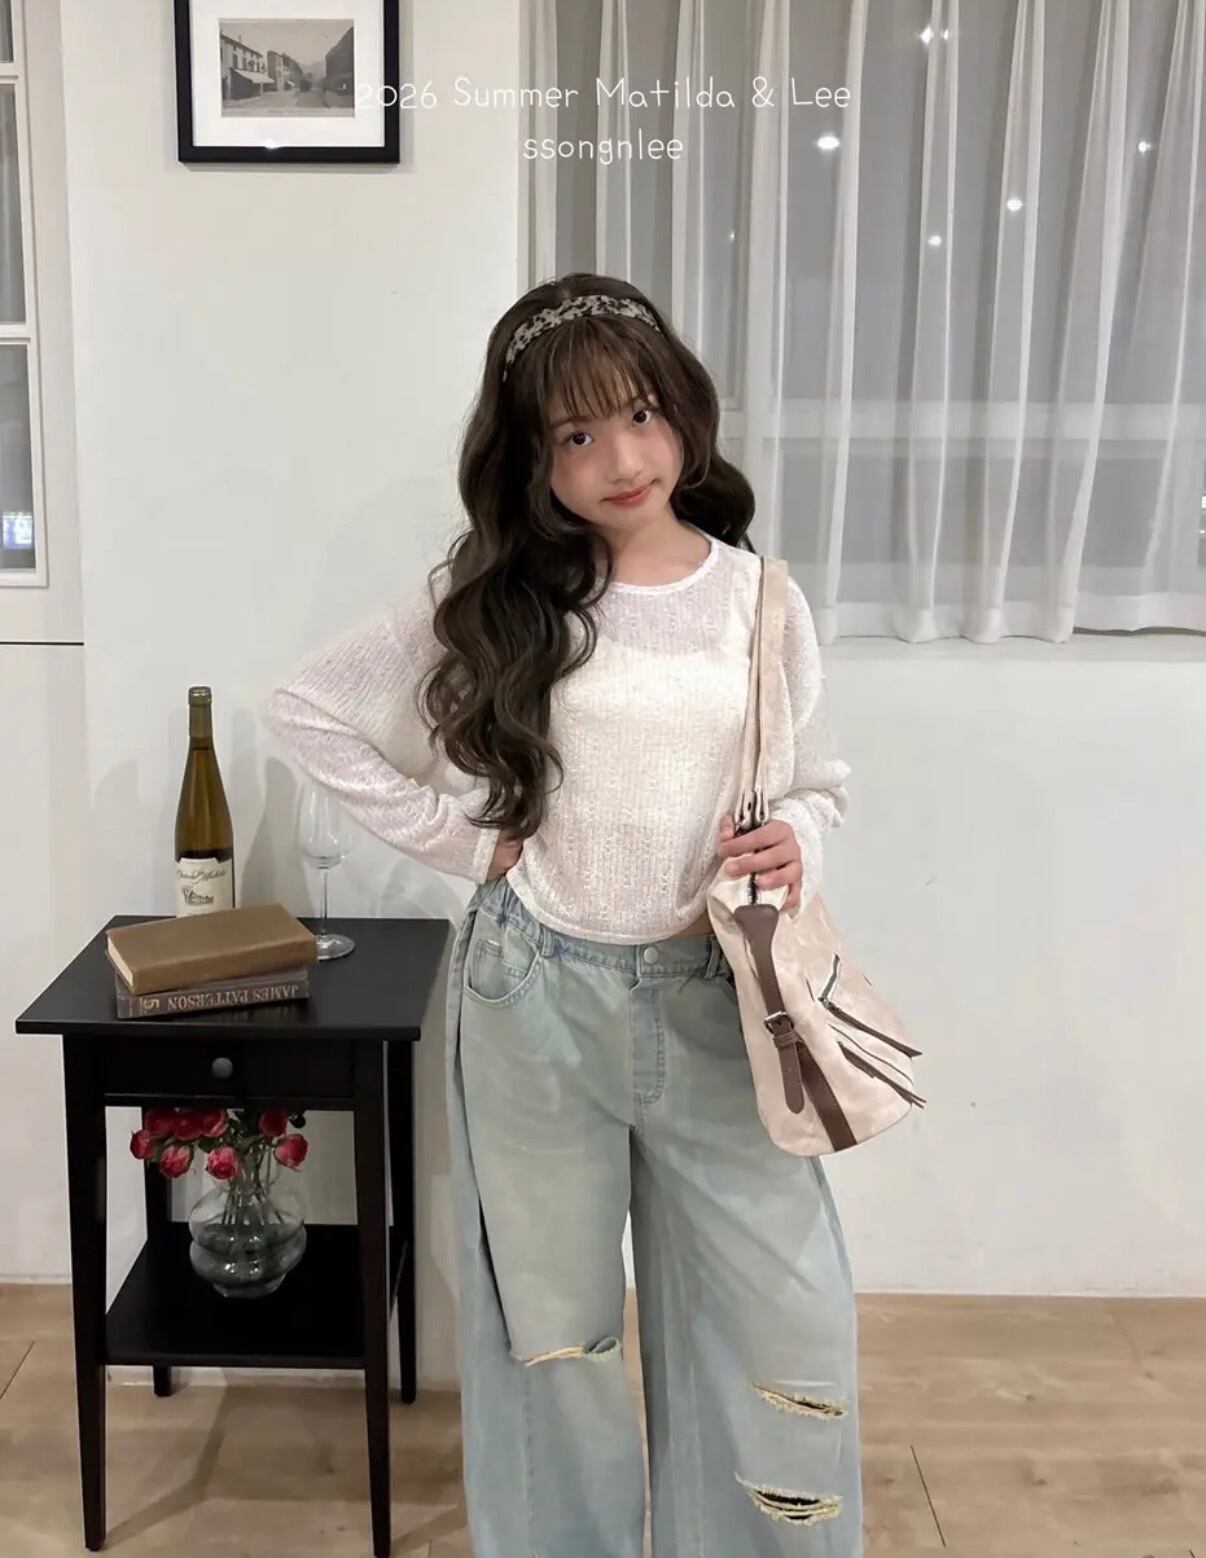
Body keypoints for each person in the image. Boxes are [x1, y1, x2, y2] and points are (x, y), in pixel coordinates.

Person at [262, 273, 862, 1556]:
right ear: (532, 457)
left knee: (782, 1318)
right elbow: (308, 709)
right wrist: (464, 841)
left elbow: (817, 779)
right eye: (576, 434)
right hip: (534, 999)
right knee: (555, 1335)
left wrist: (798, 834)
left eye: (639, 416)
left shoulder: (761, 598)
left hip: (720, 1000)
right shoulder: (503, 595)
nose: (620, 460)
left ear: (684, 413)